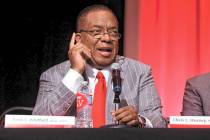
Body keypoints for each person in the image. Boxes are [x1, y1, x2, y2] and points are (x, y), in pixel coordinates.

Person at [32, 4, 167, 128]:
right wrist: (75, 72)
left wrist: (140, 120)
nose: (107, 38)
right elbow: (38, 122)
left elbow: (159, 122)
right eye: (97, 32)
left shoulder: (140, 72)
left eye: (113, 32)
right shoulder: (53, 75)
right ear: (79, 39)